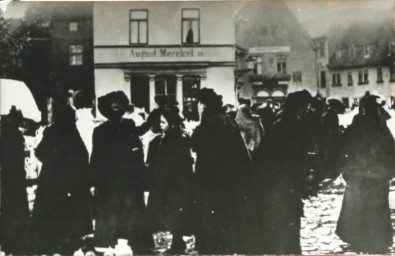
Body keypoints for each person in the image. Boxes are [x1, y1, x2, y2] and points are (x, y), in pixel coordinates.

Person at [191, 88, 259, 254]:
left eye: (199, 104)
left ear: (204, 105)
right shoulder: (227, 120)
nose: (198, 107)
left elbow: (196, 144)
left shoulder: (210, 123)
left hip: (213, 179)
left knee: (213, 217)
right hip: (229, 178)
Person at [253, 90, 313, 254]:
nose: (307, 109)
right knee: (284, 218)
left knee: (286, 218)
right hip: (281, 181)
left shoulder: (288, 121)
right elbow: (285, 155)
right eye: (305, 106)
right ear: (298, 106)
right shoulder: (288, 124)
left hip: (283, 180)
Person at [336, 95, 394, 254]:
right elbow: (391, 148)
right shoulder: (379, 125)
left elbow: (344, 146)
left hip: (362, 174)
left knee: (360, 207)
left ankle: (360, 238)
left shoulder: (362, 124)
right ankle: (374, 239)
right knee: (373, 208)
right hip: (373, 175)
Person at [90, 91, 146, 251]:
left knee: (130, 215)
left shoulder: (129, 125)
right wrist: (94, 182)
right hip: (110, 182)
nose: (116, 111)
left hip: (129, 180)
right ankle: (109, 246)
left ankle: (129, 246)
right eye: (113, 108)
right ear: (107, 111)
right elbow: (96, 159)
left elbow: (137, 150)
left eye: (119, 107)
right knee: (111, 215)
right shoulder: (100, 131)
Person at [32, 106, 92, 254]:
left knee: (52, 215)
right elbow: (83, 156)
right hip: (70, 181)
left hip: (52, 181)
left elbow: (40, 153)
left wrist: (53, 162)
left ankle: (52, 245)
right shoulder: (72, 132)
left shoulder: (53, 131)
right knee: (69, 217)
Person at [145, 109, 195, 253]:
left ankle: (177, 243)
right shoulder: (158, 141)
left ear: (172, 124)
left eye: (163, 122)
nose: (160, 125)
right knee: (165, 213)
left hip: (174, 184)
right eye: (159, 122)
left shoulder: (180, 140)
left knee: (173, 213)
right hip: (163, 183)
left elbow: (184, 164)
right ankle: (173, 242)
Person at [0, 107, 30, 254]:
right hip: (16, 177)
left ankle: (7, 243)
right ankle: (17, 242)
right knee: (17, 208)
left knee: (7, 208)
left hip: (6, 177)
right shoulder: (17, 136)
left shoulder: (3, 134)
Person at [320, 98, 346, 179]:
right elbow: (331, 130)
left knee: (331, 156)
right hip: (330, 141)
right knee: (332, 156)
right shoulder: (331, 115)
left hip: (329, 140)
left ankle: (330, 172)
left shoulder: (327, 115)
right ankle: (331, 173)